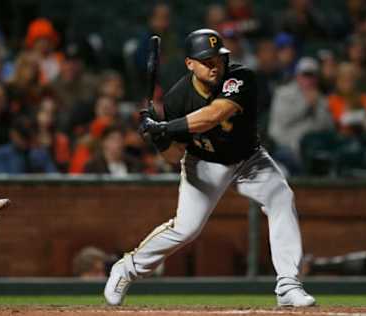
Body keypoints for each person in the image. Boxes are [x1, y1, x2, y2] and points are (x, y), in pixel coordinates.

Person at [104, 29, 315, 307]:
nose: (215, 64)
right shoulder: (177, 98)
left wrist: (166, 126)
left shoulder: (240, 77)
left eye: (218, 57)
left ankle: (288, 284)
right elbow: (172, 157)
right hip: (203, 163)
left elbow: (213, 115)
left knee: (281, 197)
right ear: (190, 63)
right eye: (206, 60)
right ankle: (126, 268)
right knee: (186, 229)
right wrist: (159, 138)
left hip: (248, 159)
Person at [268, 57, 333, 175]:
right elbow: (284, 119)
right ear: (297, 76)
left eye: (312, 75)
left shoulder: (320, 97)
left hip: (310, 147)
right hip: (284, 144)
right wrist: (306, 105)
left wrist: (316, 107)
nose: (309, 79)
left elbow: (327, 126)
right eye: (305, 75)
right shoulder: (284, 93)